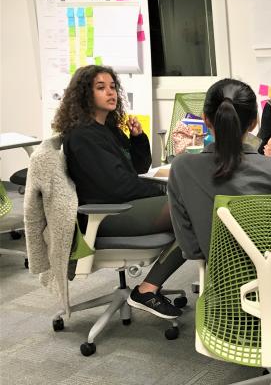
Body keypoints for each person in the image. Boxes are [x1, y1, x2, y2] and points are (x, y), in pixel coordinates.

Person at [53, 65, 185, 320]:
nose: (110, 93)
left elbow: (137, 168)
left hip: (122, 203)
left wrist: (137, 138)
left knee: (191, 206)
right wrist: (163, 188)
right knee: (190, 209)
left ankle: (149, 288)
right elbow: (118, 187)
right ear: (84, 95)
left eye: (112, 87)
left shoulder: (107, 129)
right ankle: (147, 290)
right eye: (101, 88)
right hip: (106, 213)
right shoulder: (82, 136)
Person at [167, 78, 271, 261]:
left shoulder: (181, 168)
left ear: (206, 119)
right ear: (254, 123)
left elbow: (190, 248)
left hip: (221, 283)